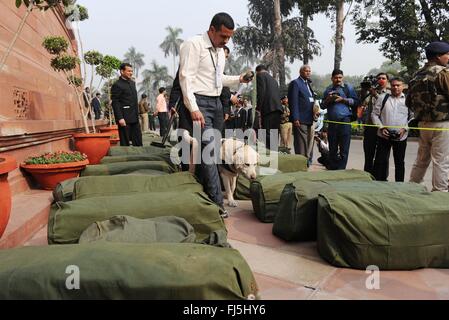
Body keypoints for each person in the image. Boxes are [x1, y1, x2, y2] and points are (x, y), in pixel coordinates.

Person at [179, 12, 251, 217]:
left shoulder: (220, 51)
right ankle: (217, 204)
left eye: (229, 37)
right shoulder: (193, 45)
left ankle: (206, 194)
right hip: (199, 103)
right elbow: (186, 78)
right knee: (209, 152)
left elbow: (218, 79)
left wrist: (239, 79)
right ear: (212, 30)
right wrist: (193, 108)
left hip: (217, 103)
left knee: (212, 153)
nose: (226, 41)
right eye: (223, 36)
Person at [408, 41, 449, 192]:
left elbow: (409, 101)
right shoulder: (443, 73)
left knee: (422, 159)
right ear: (438, 56)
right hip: (442, 124)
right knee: (441, 161)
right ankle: (440, 193)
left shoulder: (416, 75)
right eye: (447, 54)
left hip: (423, 124)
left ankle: (412, 188)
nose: (448, 57)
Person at [371, 78, 412, 182]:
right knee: (381, 161)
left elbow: (412, 117)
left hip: (401, 136)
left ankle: (399, 185)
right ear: (390, 86)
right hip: (383, 135)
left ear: (403, 86)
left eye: (398, 85)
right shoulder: (383, 98)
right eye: (393, 85)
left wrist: (404, 129)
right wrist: (381, 127)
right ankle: (379, 184)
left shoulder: (408, 99)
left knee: (399, 162)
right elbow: (374, 114)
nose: (396, 87)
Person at [321, 69, 360, 170]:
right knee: (332, 147)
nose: (338, 80)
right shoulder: (328, 90)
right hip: (332, 123)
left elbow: (356, 102)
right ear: (332, 78)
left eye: (340, 77)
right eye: (335, 78)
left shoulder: (348, 88)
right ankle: (333, 169)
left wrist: (343, 100)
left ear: (342, 78)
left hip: (344, 121)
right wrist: (328, 100)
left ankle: (341, 169)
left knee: (344, 148)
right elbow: (322, 106)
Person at [361, 73, 391, 176]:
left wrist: (376, 95)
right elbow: (362, 103)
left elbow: (387, 105)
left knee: (383, 155)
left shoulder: (390, 93)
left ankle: (382, 176)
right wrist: (365, 90)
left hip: (383, 127)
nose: (381, 80)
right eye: (379, 78)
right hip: (370, 126)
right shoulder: (370, 92)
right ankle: (367, 176)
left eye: (383, 78)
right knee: (368, 154)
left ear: (387, 81)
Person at [111, 63, 143, 147]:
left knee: (138, 141)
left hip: (135, 118)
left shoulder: (132, 83)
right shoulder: (117, 85)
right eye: (129, 71)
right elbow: (115, 102)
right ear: (122, 71)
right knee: (125, 143)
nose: (131, 73)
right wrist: (120, 118)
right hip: (124, 119)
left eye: (132, 71)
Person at [288, 65, 316, 158]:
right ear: (300, 72)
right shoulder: (296, 83)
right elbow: (293, 101)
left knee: (307, 142)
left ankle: (305, 161)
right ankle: (301, 162)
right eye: (306, 71)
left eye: (309, 71)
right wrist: (295, 117)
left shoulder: (307, 84)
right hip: (300, 119)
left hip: (309, 118)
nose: (308, 72)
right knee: (301, 142)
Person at [256, 64, 283, 151]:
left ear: (258, 71)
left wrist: (258, 108)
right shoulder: (273, 80)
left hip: (268, 109)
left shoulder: (260, 76)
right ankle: (274, 155)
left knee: (267, 133)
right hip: (277, 109)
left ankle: (268, 154)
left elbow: (261, 93)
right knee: (274, 134)